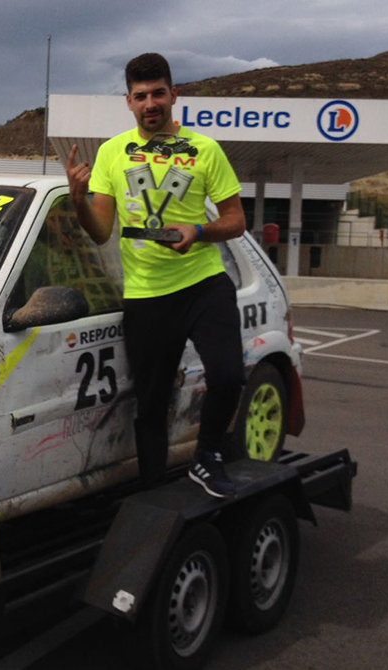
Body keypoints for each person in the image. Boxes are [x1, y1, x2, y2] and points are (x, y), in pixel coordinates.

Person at [66, 52, 246, 497]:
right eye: (141, 96)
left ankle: (207, 457)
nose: (151, 103)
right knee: (150, 406)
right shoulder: (112, 153)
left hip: (204, 283)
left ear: (174, 95)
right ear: (128, 101)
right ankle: (153, 495)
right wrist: (78, 201)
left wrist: (199, 230)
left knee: (227, 375)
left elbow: (237, 220)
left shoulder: (205, 150)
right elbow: (102, 230)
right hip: (147, 296)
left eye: (158, 93)